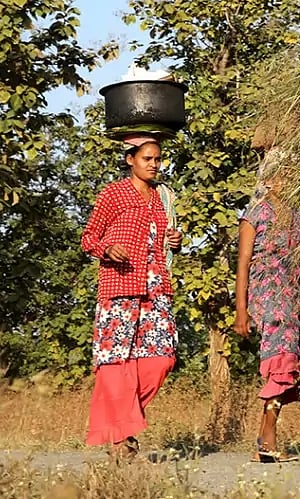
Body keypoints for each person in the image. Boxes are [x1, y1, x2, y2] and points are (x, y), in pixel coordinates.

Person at [81, 135, 181, 460]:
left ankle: (119, 422)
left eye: (157, 159)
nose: (153, 164)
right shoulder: (113, 193)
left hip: (157, 290)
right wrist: (107, 248)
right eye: (146, 159)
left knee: (161, 360)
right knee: (114, 362)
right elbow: (88, 238)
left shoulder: (162, 198)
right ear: (130, 160)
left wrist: (176, 240)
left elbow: (166, 242)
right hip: (119, 286)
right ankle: (122, 435)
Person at [234, 153, 300, 463]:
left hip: (298, 295)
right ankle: (269, 436)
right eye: (283, 176)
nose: (289, 181)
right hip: (269, 293)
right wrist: (241, 310)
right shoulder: (255, 214)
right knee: (283, 360)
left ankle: (264, 432)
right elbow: (243, 264)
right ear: (269, 182)